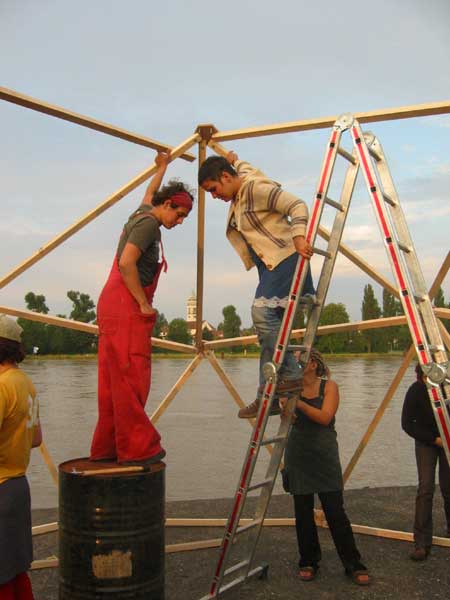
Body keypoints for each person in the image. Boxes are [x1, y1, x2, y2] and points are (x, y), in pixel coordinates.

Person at [90, 152, 194, 465]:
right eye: (179, 215)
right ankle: (137, 447)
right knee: (131, 377)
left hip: (111, 304)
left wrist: (162, 168)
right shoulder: (150, 225)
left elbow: (149, 194)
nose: (179, 222)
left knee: (112, 381)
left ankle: (107, 449)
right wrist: (143, 302)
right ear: (168, 206)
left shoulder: (144, 212)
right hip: (125, 306)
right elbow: (126, 263)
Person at [198, 152, 315, 418]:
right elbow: (244, 168)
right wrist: (233, 159)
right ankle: (268, 397)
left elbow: (297, 205)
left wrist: (298, 236)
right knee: (268, 338)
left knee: (261, 314)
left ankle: (292, 375)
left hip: (286, 258)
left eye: (213, 189)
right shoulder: (242, 181)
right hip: (270, 267)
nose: (215, 196)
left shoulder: (254, 189)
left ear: (226, 177)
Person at [281, 348, 369, 585]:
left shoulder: (329, 386)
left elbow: (325, 417)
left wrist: (297, 403)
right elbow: (289, 420)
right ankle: (308, 561)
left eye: (302, 358)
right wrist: (285, 405)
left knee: (335, 511)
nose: (297, 361)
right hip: (298, 454)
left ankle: (353, 564)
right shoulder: (290, 388)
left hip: (324, 454)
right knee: (302, 511)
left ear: (314, 365)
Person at [0, 314, 42, 600]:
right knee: (15, 569)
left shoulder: (2, 386)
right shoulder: (25, 383)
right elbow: (36, 438)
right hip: (18, 487)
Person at [401, 363, 450, 561]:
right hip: (426, 443)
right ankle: (421, 542)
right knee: (426, 488)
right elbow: (407, 424)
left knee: (449, 488)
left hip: (447, 441)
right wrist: (433, 439)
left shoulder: (445, 387)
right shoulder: (415, 391)